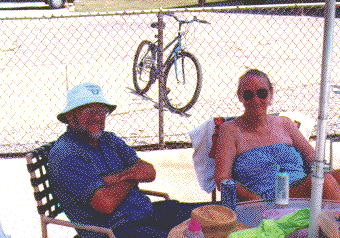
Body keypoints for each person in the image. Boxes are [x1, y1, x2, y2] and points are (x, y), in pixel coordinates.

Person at [48, 82, 206, 238]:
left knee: (216, 214)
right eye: (89, 111)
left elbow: (149, 172)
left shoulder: (108, 139)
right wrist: (132, 177)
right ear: (70, 116)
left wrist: (113, 180)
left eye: (102, 111)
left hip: (146, 213)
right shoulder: (67, 155)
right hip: (116, 230)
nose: (97, 117)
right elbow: (106, 204)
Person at [214, 69, 340, 202]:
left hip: (301, 187)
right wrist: (251, 197)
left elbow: (312, 156)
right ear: (240, 97)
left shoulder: (284, 123)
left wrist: (323, 173)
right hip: (267, 198)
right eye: (248, 95)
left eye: (262, 93)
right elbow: (222, 178)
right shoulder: (230, 130)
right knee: (325, 182)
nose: (256, 100)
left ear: (271, 94)